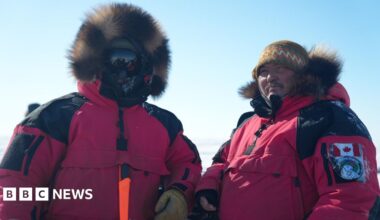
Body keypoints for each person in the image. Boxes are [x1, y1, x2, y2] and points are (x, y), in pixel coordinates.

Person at [0, 3, 201, 220]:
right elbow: (16, 189)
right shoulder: (52, 119)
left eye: (131, 62)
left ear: (148, 67)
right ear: (95, 61)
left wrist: (179, 191)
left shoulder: (165, 125)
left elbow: (187, 162)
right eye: (116, 59)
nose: (122, 69)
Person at [195, 40, 380, 219]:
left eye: (281, 69)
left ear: (303, 75)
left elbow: (351, 201)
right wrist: (209, 185)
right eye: (263, 71)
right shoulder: (247, 123)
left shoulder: (328, 118)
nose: (270, 77)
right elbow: (222, 161)